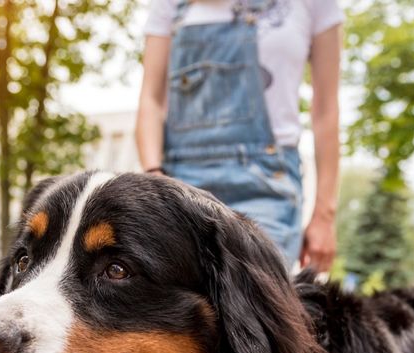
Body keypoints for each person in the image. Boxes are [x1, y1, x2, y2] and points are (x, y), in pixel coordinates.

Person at [136, 0, 343, 272]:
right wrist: (154, 178)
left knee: (256, 303)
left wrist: (324, 217)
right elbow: (151, 100)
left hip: (267, 184)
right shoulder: (171, 6)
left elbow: (326, 113)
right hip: (179, 184)